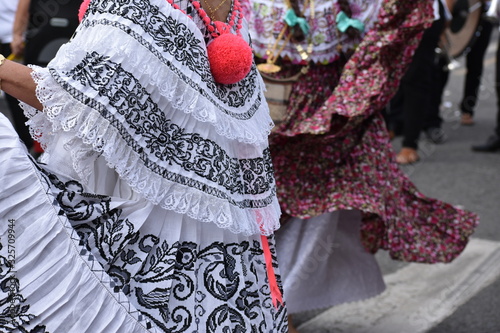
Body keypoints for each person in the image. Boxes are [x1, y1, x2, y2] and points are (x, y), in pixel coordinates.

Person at [0, 0, 288, 331]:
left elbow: (80, 101)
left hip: (144, 219)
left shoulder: (143, 5)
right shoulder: (232, 12)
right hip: (210, 220)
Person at [249, 0, 478, 332]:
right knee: (264, 207)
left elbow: (385, 24)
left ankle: (282, 305)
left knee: (318, 205)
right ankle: (263, 299)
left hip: (330, 112)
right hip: (265, 105)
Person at [0, 0, 34, 152]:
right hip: (7, 36)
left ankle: (27, 144)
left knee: (15, 95)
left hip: (12, 39)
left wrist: (17, 34)